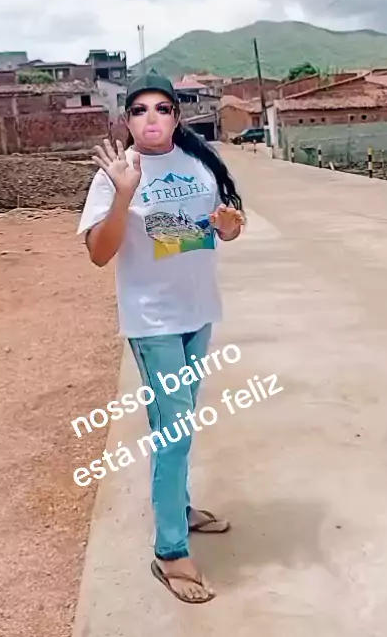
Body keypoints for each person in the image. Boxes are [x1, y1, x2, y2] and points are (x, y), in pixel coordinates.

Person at [77, 69, 245, 604]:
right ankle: (170, 551)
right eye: (140, 110)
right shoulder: (116, 175)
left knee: (177, 425)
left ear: (177, 116)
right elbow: (100, 253)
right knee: (173, 432)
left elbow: (208, 232)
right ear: (126, 120)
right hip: (153, 321)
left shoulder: (199, 164)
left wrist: (227, 227)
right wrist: (124, 195)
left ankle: (179, 507)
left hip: (199, 312)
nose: (152, 118)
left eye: (162, 109)